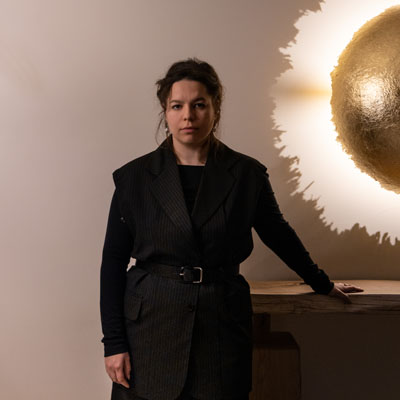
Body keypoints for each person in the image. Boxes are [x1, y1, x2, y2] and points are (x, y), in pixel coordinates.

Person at [100, 58, 363, 400]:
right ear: (165, 112)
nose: (188, 116)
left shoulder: (246, 175)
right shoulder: (134, 178)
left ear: (216, 109)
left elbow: (278, 234)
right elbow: (113, 262)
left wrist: (321, 282)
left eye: (199, 105)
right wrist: (114, 342)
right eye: (177, 106)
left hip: (221, 326)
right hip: (150, 329)